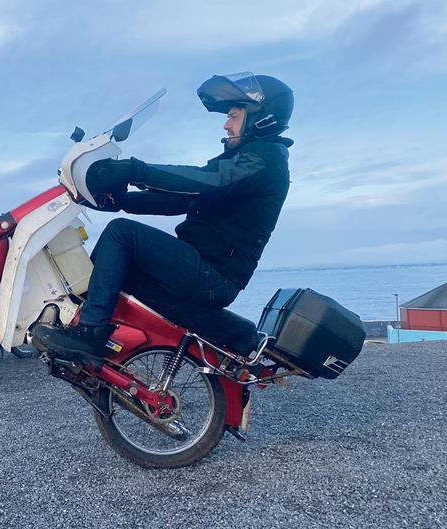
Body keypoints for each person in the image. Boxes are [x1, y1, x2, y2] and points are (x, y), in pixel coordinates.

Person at [32, 72, 294, 364]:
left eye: (233, 115)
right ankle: (105, 354)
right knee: (118, 270)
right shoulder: (245, 160)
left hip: (214, 276)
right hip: (203, 267)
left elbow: (207, 181)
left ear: (261, 116)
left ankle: (91, 335)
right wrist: (122, 202)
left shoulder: (266, 160)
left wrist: (135, 169)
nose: (226, 123)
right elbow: (181, 199)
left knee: (121, 234)